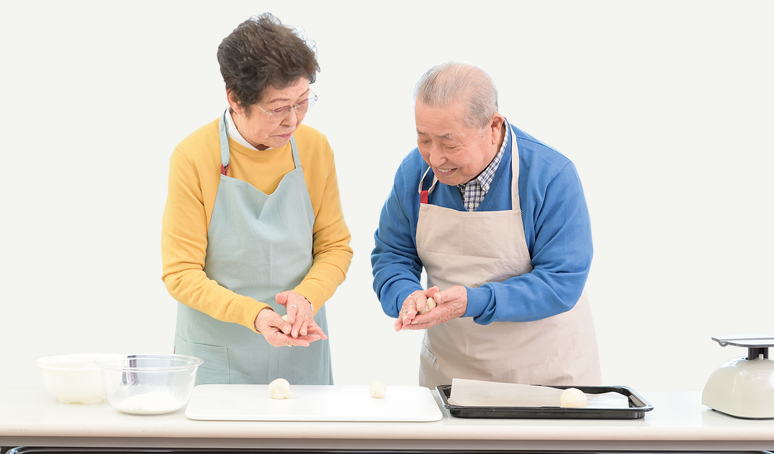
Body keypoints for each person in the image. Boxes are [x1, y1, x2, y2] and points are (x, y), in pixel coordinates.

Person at [371, 62, 601, 389]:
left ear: (493, 126)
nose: (435, 158)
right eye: (424, 139)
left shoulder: (551, 176)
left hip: (547, 378)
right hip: (452, 376)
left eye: (449, 144)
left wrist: (474, 301)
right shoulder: (414, 172)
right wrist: (406, 296)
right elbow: (392, 255)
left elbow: (561, 280)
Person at [162, 14, 352, 385]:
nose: (293, 120)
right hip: (216, 357)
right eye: (279, 108)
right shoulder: (192, 157)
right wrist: (255, 315)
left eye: (302, 101)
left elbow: (335, 247)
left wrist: (307, 299)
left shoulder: (315, 148)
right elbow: (180, 273)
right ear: (235, 99)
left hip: (301, 348)